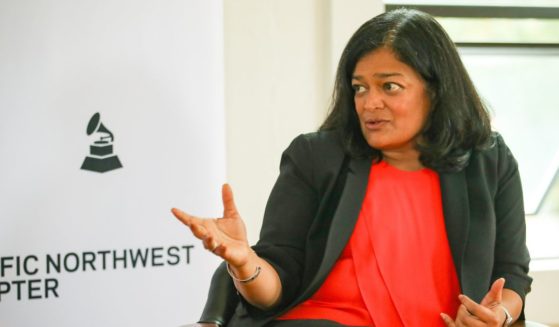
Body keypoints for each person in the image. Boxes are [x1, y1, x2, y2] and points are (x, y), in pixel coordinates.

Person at [171, 8, 532, 327]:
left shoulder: (488, 160)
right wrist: (246, 262)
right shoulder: (315, 157)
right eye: (359, 88)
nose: (369, 103)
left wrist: (497, 315)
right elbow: (274, 289)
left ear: (435, 91)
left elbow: (512, 274)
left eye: (389, 87)